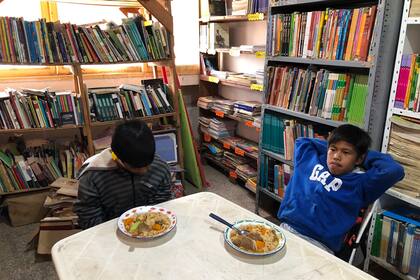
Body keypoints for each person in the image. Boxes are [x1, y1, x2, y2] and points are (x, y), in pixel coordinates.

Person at [277, 124, 404, 254]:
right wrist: (333, 147)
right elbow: (302, 141)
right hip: (287, 228)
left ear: (359, 158)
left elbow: (395, 170)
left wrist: (362, 155)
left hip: (319, 245)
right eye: (333, 149)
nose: (337, 156)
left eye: (346, 152)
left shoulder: (361, 183)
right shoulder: (310, 159)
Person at [74, 120, 173, 229]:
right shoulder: (93, 176)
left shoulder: (160, 167)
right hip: (109, 234)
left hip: (150, 230)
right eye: (136, 167)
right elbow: (88, 218)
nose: (144, 171)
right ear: (117, 157)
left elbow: (162, 205)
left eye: (148, 164)